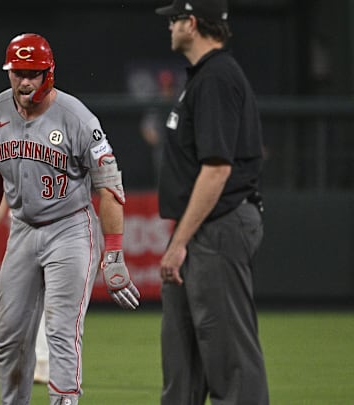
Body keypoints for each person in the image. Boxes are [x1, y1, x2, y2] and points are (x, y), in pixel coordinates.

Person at [0, 33, 141, 405]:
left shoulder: (78, 117)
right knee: (10, 335)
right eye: (18, 72)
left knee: (61, 331)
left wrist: (113, 252)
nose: (25, 81)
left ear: (50, 72)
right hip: (23, 229)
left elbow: (109, 185)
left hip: (70, 229)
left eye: (34, 73)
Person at [153, 1, 269, 404]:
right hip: (201, 228)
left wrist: (179, 241)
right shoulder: (204, 77)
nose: (169, 25)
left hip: (217, 226)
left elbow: (217, 169)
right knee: (182, 359)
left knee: (229, 360)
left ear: (193, 23)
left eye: (174, 18)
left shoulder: (218, 76)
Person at [0, 196, 49, 385]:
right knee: (32, 302)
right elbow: (5, 189)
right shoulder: (15, 168)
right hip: (24, 226)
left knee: (43, 301)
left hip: (53, 226)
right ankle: (37, 362)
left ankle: (42, 363)